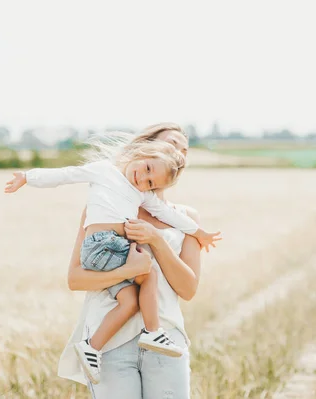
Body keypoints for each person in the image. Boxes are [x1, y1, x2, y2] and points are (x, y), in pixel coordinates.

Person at [4, 134, 220, 386]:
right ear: (144, 150)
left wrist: (195, 232)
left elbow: (167, 215)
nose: (144, 179)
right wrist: (28, 177)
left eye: (183, 151)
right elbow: (66, 174)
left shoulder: (143, 195)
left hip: (153, 310)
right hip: (105, 248)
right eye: (149, 167)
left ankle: (97, 345)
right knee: (146, 272)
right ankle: (151, 333)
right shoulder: (105, 175)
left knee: (130, 298)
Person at [58, 123, 214, 398]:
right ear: (146, 151)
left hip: (165, 336)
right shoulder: (104, 206)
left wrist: (155, 239)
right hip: (110, 344)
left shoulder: (187, 219)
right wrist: (130, 270)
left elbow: (188, 289)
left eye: (184, 150)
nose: (179, 154)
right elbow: (75, 278)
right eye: (171, 144)